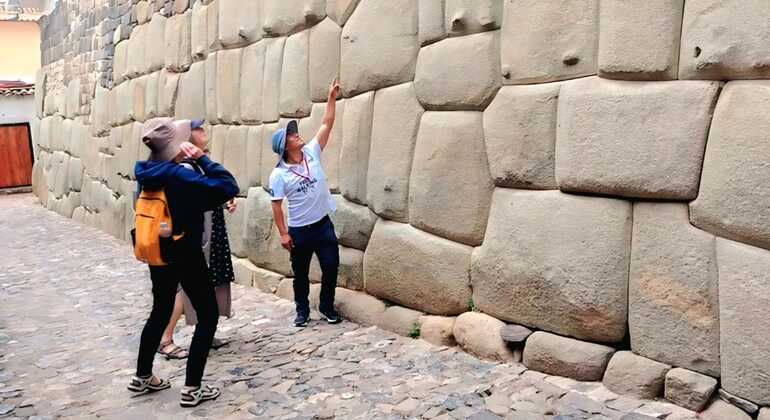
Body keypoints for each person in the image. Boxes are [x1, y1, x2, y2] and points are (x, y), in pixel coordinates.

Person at [129, 118, 239, 408]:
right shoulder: (180, 177)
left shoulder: (147, 173)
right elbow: (228, 186)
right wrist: (202, 159)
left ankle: (142, 376)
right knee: (208, 315)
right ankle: (192, 388)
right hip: (184, 253)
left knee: (160, 310)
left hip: (157, 252)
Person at [157, 120, 237, 360]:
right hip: (195, 236)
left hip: (205, 232)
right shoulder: (187, 167)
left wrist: (223, 201)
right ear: (188, 137)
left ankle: (206, 332)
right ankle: (166, 338)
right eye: (198, 129)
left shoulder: (193, 166)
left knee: (207, 284)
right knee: (185, 288)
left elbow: (208, 193)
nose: (204, 132)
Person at [269, 79, 342, 328]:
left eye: (294, 131)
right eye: (291, 135)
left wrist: (331, 98)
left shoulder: (311, 152)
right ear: (284, 146)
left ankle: (326, 306)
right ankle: (302, 311)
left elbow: (326, 124)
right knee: (300, 275)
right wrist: (283, 233)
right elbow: (276, 205)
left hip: (323, 225)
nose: (296, 135)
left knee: (331, 267)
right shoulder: (279, 175)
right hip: (299, 231)